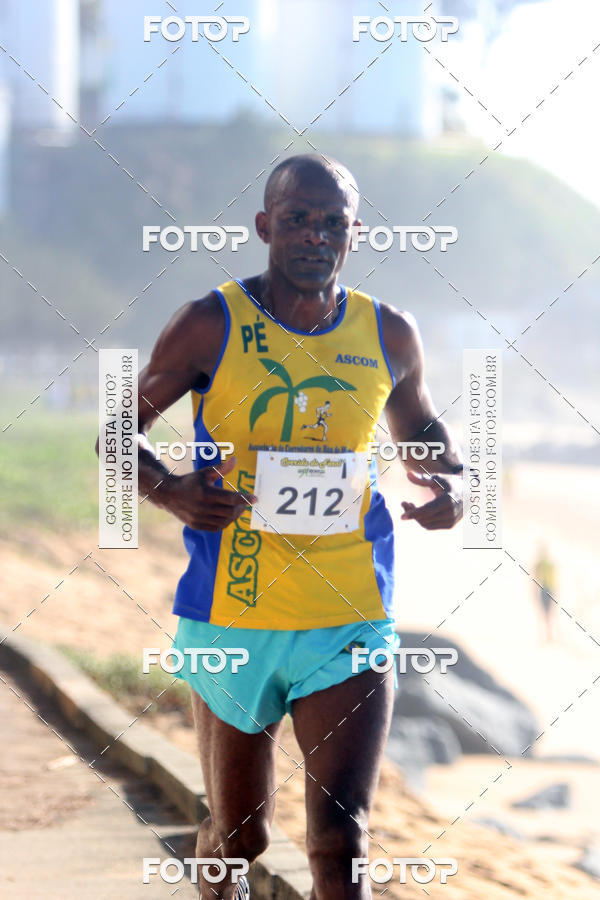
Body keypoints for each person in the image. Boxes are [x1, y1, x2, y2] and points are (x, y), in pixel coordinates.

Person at [134, 154, 463, 899]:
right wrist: (171, 493)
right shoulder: (209, 323)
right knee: (242, 836)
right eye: (298, 219)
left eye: (332, 223)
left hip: (348, 615)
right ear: (265, 226)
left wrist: (454, 487)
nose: (316, 235)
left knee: (340, 843)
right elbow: (117, 435)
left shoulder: (389, 333)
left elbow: (430, 440)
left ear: (354, 233)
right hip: (233, 613)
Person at [534, 545, 557, 643]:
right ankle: (549, 636)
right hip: (549, 589)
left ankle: (546, 636)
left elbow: (535, 578)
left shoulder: (540, 564)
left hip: (544, 590)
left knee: (544, 613)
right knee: (548, 613)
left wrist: (533, 591)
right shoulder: (549, 564)